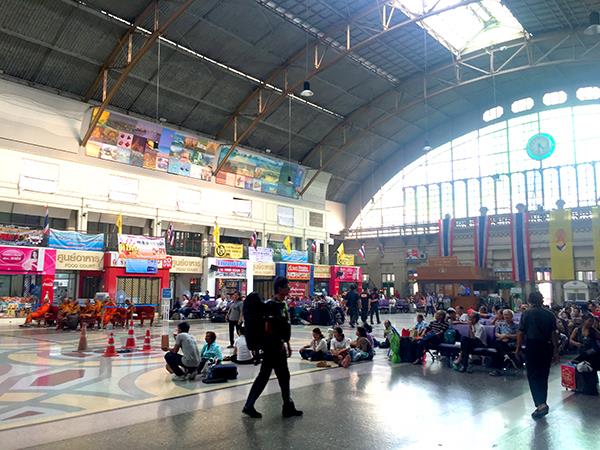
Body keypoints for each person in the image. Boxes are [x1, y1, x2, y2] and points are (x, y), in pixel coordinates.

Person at [243, 276, 302, 419]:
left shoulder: (283, 304)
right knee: (273, 376)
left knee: (278, 376)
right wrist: (279, 343)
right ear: (280, 289)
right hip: (273, 347)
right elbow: (268, 327)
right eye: (287, 286)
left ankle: (285, 406)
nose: (289, 289)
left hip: (278, 345)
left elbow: (284, 326)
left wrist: (287, 343)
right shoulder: (271, 304)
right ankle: (252, 405)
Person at [516, 292, 559, 420]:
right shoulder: (549, 314)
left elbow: (520, 332)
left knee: (533, 375)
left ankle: (540, 404)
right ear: (541, 300)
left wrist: (518, 348)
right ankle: (543, 402)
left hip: (533, 346)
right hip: (547, 346)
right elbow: (554, 333)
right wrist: (556, 351)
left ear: (529, 301)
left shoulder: (526, 314)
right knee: (543, 375)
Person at [489, 309, 519, 376]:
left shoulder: (516, 325)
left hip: (510, 343)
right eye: (504, 315)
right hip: (501, 342)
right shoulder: (500, 324)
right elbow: (496, 334)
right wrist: (502, 337)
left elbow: (517, 336)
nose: (505, 316)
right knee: (498, 345)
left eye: (507, 314)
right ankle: (507, 357)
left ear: (511, 316)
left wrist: (507, 335)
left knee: (498, 349)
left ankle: (497, 369)